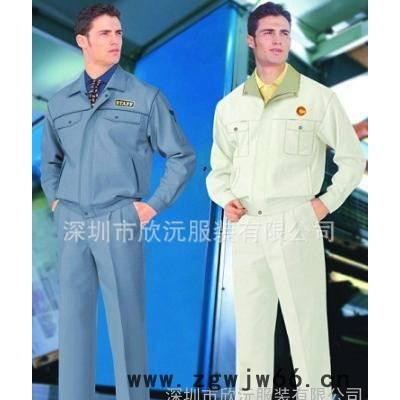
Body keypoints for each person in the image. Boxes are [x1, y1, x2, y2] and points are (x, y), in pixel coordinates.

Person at [205, 2, 366, 399]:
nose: (277, 40)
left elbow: (352, 159)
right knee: (252, 334)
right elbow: (218, 170)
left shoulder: (318, 98)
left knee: (306, 329)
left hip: (295, 220)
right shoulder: (229, 107)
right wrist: (225, 198)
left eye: (284, 33)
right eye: (268, 32)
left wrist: (323, 205)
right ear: (251, 40)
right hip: (248, 226)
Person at [40, 3, 196, 400]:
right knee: (73, 328)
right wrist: (56, 203)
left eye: (119, 33)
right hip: (72, 221)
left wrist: (154, 204)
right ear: (82, 41)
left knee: (127, 325)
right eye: (105, 33)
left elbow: (182, 156)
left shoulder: (144, 97)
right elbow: (50, 163)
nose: (115, 40)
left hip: (118, 218)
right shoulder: (60, 103)